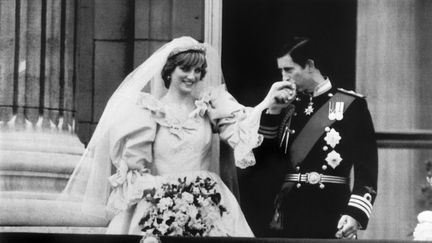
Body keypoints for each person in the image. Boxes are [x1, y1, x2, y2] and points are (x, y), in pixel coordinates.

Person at [60, 36, 294, 237]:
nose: (192, 76)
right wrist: (167, 197)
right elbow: (134, 171)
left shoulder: (210, 107)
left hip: (209, 201)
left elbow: (241, 132)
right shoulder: (148, 112)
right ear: (169, 71)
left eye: (198, 71)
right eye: (185, 69)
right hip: (160, 203)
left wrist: (267, 103)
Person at [254, 37, 378, 239]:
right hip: (288, 212)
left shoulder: (351, 105)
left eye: (288, 70)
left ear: (310, 66)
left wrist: (355, 213)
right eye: (281, 71)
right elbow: (264, 162)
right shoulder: (286, 106)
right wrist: (273, 111)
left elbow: (367, 168)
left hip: (332, 210)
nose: (283, 77)